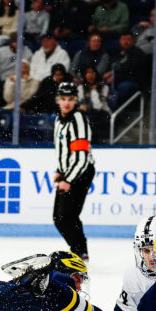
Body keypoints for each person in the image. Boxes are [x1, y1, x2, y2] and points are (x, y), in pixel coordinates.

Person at [52, 82, 95, 261]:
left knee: (64, 217)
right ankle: (80, 251)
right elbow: (65, 151)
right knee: (61, 217)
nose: (67, 103)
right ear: (58, 100)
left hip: (81, 172)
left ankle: (79, 252)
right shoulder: (58, 119)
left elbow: (81, 157)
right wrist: (60, 171)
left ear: (75, 100)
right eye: (63, 99)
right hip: (69, 172)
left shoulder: (77, 119)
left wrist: (67, 179)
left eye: (70, 99)